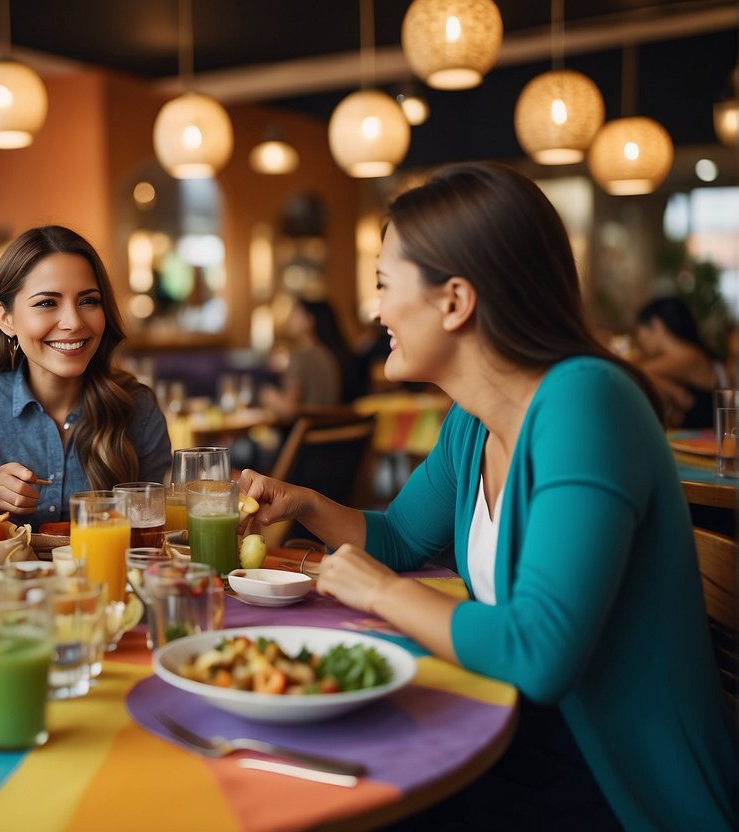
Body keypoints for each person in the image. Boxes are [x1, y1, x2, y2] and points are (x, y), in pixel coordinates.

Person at [239, 162, 736, 831]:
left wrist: (380, 593)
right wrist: (304, 504)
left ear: (453, 301)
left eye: (384, 285)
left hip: (614, 784)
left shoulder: (586, 404)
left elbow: (538, 656)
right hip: (517, 741)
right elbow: (399, 540)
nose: (374, 309)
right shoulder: (472, 421)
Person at [0, 225, 171, 530]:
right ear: (6, 319)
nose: (73, 322)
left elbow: (164, 528)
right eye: (46, 303)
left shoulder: (137, 405)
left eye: (89, 301)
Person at [632, 295, 728, 428]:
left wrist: (676, 393)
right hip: (694, 441)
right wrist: (676, 392)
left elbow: (637, 372)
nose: (640, 339)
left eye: (640, 332)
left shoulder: (690, 357)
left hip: (708, 443)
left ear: (656, 325)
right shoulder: (688, 356)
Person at [259, 296, 357, 419]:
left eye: (295, 314)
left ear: (309, 320)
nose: (290, 319)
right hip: (330, 432)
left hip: (303, 434)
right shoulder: (328, 354)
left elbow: (289, 409)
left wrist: (270, 397)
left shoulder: (300, 356)